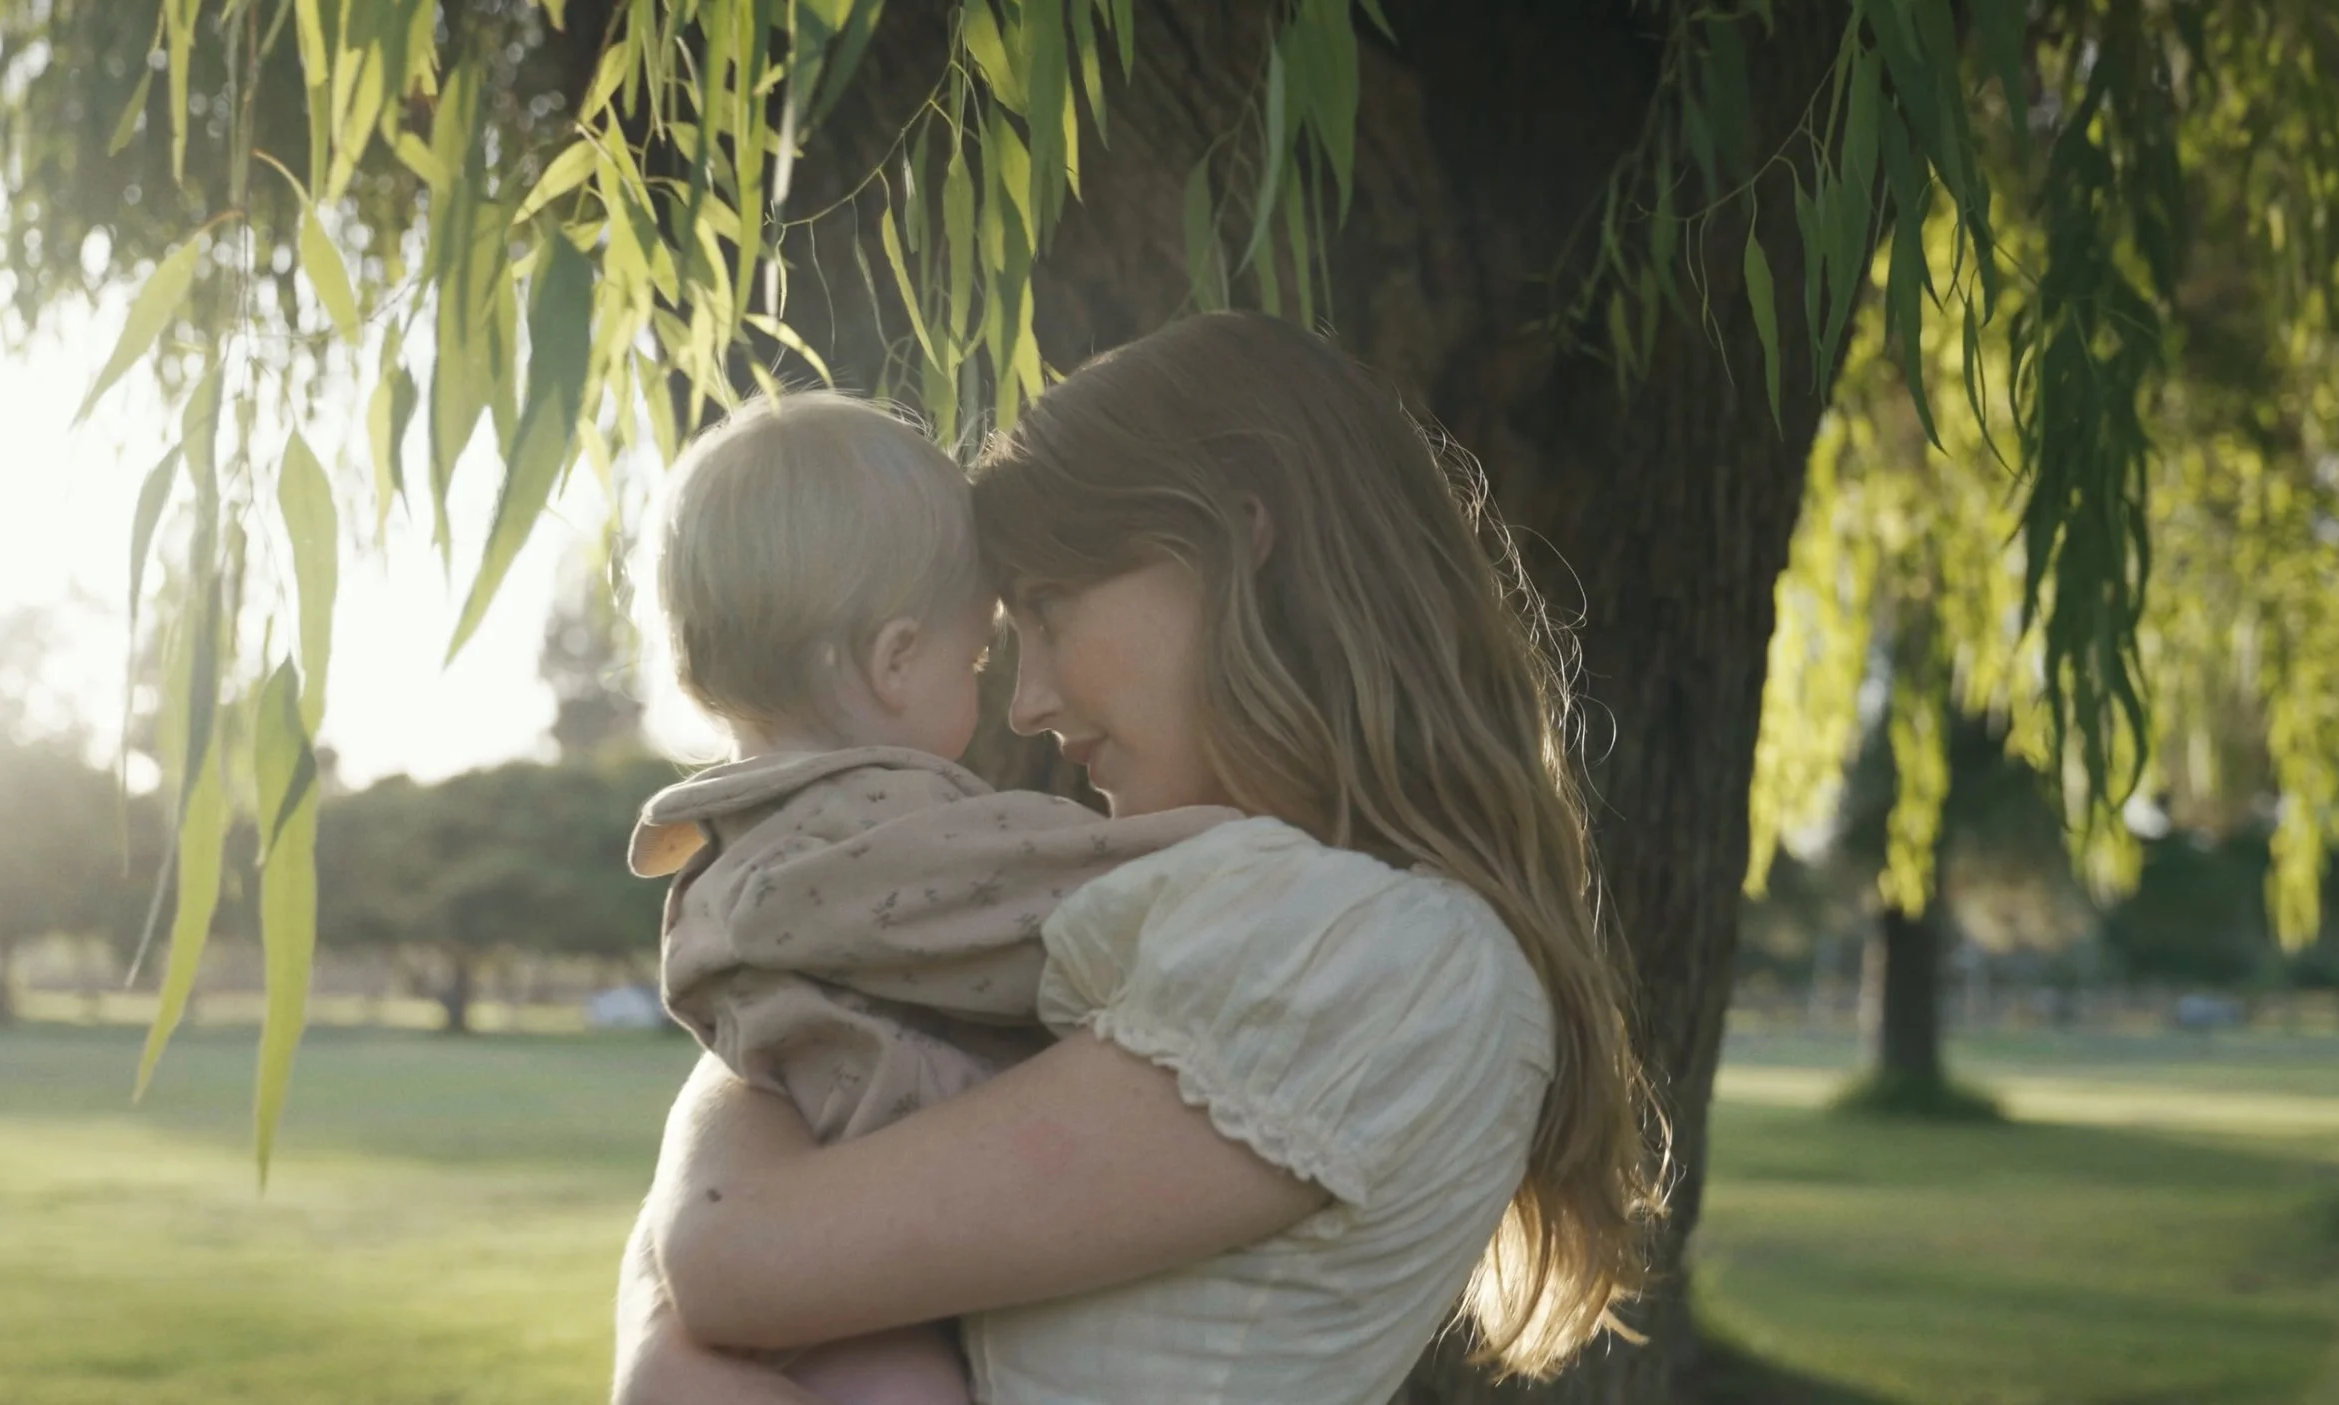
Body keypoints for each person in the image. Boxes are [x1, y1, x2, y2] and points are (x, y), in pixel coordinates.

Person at [615, 312, 1664, 1405]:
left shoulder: (1379, 952)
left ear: (1226, 547)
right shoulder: (1261, 927)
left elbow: (731, 1262)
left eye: (1048, 611)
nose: (1025, 704)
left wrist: (753, 1029)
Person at [630, 391, 1232, 1404]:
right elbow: (1063, 894)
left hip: (832, 1231)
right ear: (897, 660)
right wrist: (1248, 844)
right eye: (980, 655)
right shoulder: (870, 822)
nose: (1003, 692)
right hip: (868, 1269)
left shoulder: (743, 832)